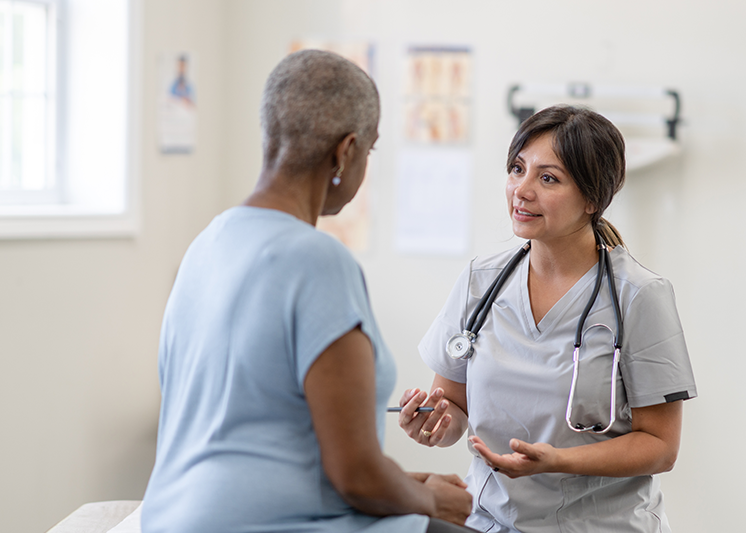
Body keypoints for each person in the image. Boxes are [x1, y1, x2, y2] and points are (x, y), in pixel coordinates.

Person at [141, 50, 474, 533]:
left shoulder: (208, 243)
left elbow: (262, 441)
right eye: (371, 151)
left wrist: (402, 484)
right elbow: (355, 476)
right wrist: (427, 500)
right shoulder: (317, 260)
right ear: (346, 151)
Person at [397, 105, 697, 533]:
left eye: (548, 178)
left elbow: (661, 446)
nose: (522, 190)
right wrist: (433, 425)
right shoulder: (480, 281)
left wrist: (558, 461)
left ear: (592, 198)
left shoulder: (640, 296)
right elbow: (453, 410)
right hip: (489, 522)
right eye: (517, 169)